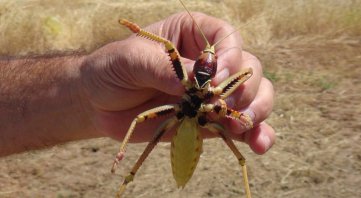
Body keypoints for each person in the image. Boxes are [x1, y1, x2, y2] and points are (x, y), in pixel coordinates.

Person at [0, 12, 275, 157]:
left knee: (238, 151)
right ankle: (129, 169)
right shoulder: (183, 75)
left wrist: (239, 95)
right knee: (148, 129)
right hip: (177, 118)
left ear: (211, 65)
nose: (207, 57)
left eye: (209, 58)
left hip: (199, 121)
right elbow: (168, 46)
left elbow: (246, 74)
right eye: (205, 55)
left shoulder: (215, 90)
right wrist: (139, 34)